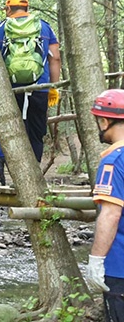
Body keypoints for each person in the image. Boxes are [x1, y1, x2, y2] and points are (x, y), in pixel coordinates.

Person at [0, 0, 61, 162]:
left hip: (9, 90)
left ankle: (14, 176)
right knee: (36, 133)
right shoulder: (44, 27)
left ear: (9, 8)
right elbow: (55, 58)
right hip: (39, 88)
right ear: (27, 8)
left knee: (11, 133)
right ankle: (35, 174)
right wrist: (53, 87)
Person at [86, 89, 124, 321]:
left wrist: (96, 260)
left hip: (120, 268)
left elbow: (110, 214)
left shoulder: (114, 160)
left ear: (104, 121)